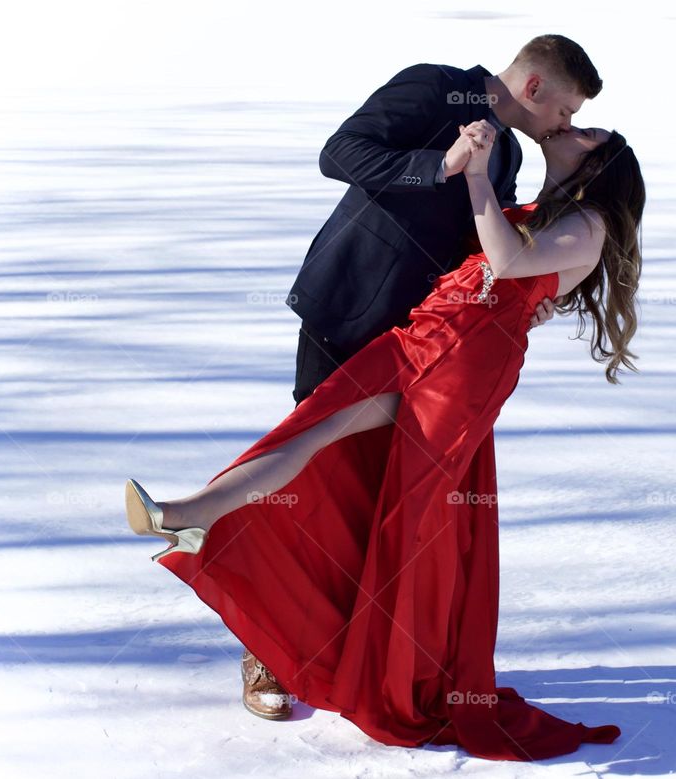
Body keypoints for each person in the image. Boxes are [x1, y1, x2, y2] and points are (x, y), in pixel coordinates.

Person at [125, 118, 645, 761]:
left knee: (413, 518)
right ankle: (188, 515)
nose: (570, 126)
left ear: (601, 159)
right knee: (315, 432)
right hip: (421, 339)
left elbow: (510, 262)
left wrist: (479, 179)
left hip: (464, 369)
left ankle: (402, 676)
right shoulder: (542, 210)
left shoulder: (591, 223)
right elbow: (508, 266)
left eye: (587, 128)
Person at [244, 34, 602, 719]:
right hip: (346, 311)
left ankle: (340, 649)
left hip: (420, 344)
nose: (563, 124)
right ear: (532, 89)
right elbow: (340, 154)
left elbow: (478, 242)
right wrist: (439, 161)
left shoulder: (508, 155)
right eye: (564, 109)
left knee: (370, 493)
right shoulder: (437, 87)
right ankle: (263, 644)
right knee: (307, 480)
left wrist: (530, 290)